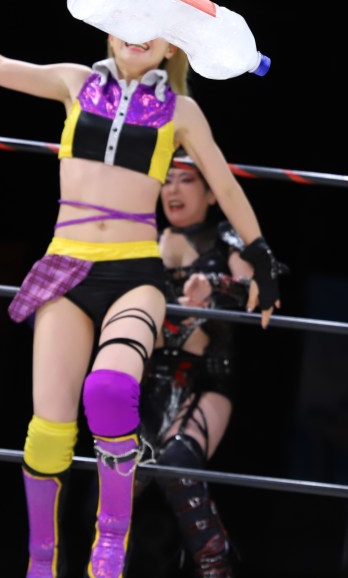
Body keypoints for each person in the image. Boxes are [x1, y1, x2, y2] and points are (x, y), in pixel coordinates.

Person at [0, 11, 284, 578]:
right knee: (47, 434)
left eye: (152, 28)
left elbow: (224, 185)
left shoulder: (181, 111)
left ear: (170, 48)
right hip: (67, 267)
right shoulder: (75, 81)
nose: (137, 34)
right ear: (108, 30)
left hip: (134, 272)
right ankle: (42, 563)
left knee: (109, 389)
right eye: (128, 20)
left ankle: (109, 545)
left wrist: (263, 260)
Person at [125, 155, 265, 577]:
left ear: (210, 193)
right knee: (113, 484)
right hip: (147, 380)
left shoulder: (226, 239)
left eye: (185, 180)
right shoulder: (144, 237)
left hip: (206, 377)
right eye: (166, 180)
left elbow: (258, 291)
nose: (172, 189)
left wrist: (214, 287)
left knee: (177, 463)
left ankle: (216, 569)